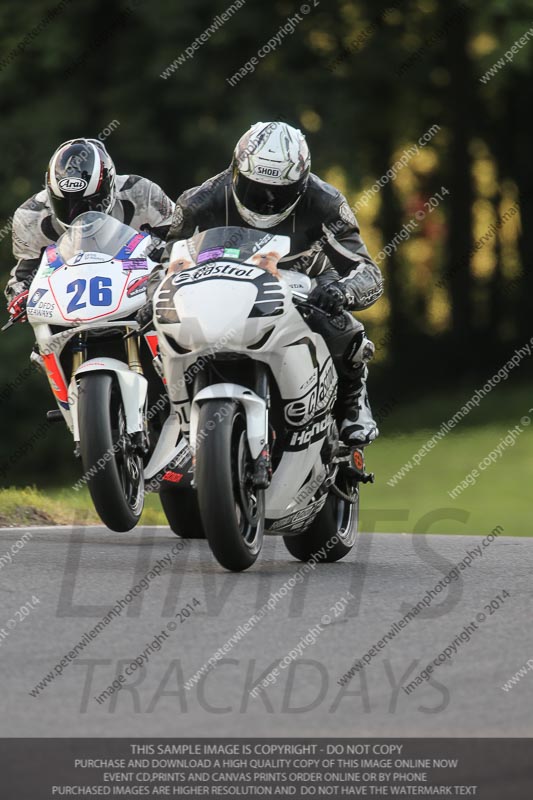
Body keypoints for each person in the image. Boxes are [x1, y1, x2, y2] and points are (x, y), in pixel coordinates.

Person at [140, 121, 383, 445]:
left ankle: (352, 401)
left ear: (301, 183)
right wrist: (153, 297)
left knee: (341, 325)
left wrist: (343, 291)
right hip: (219, 279)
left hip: (306, 277)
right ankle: (157, 417)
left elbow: (366, 269)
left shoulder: (325, 202)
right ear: (236, 172)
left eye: (279, 193)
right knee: (153, 328)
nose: (266, 201)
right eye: (255, 189)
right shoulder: (199, 200)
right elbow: (167, 260)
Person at [4, 137, 175, 321]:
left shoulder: (141, 193)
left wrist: (165, 264)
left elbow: (180, 240)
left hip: (139, 299)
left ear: (110, 185)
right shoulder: (31, 216)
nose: (77, 212)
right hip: (67, 310)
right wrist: (19, 296)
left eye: (89, 202)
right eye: (66, 204)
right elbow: (23, 277)